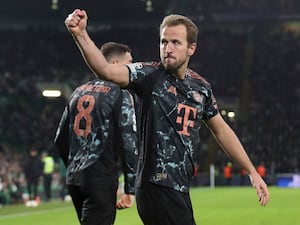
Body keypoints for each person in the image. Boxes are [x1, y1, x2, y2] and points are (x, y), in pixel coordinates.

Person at [64, 9, 269, 225]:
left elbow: (221, 129)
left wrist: (251, 171)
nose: (167, 48)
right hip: (156, 185)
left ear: (192, 48)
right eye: (163, 42)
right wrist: (80, 34)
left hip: (179, 186)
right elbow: (106, 70)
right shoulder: (148, 75)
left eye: (175, 42)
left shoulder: (201, 88)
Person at [54, 42, 138, 225]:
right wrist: (130, 189)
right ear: (115, 63)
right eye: (129, 63)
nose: (132, 68)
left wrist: (73, 166)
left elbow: (60, 139)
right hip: (100, 177)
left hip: (75, 179)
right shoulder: (120, 94)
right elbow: (129, 141)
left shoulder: (78, 91)